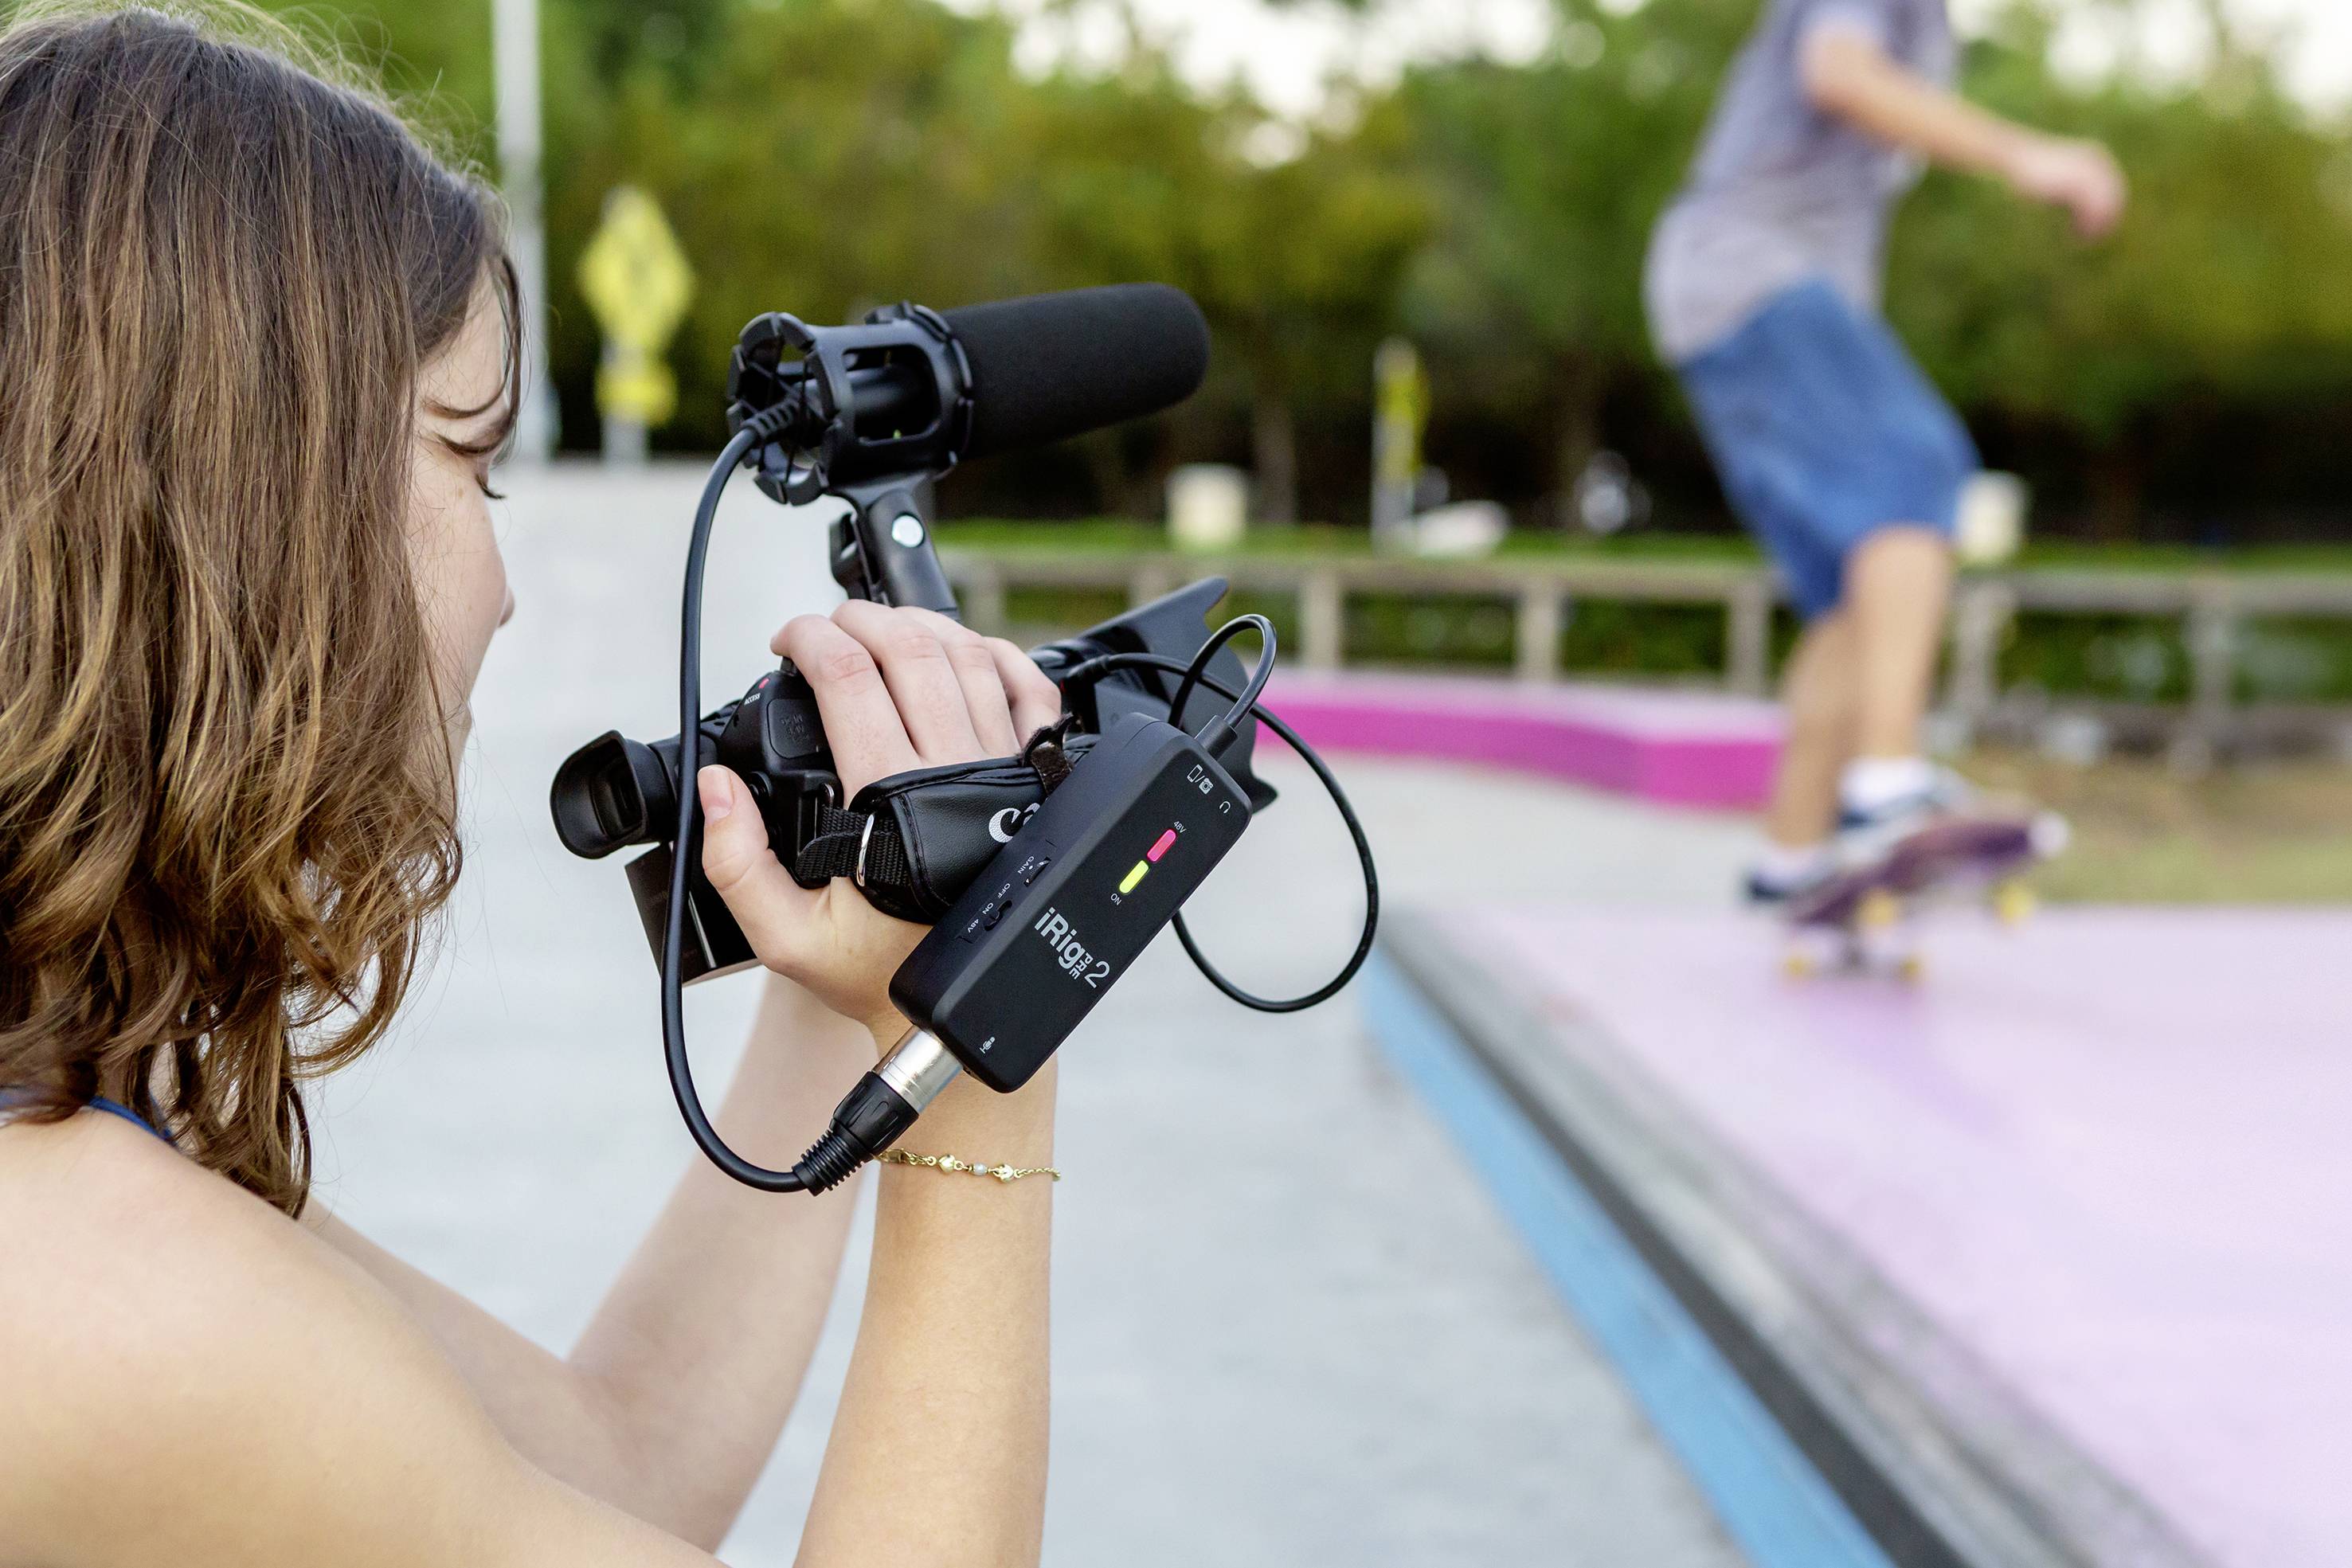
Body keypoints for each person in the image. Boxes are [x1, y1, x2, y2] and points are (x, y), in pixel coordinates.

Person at [0, 6, 1062, 1564]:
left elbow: (623, 1463)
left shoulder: (76, 1125)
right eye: (464, 460)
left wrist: (863, 952)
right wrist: (988, 1052)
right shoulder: (104, 1293)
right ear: (248, 507)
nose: (503, 586)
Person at [1646, 0, 2126, 902]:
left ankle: (1790, 855)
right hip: (1754, 272)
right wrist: (2029, 154)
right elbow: (1839, 72)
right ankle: (1886, 787)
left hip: (1720, 291)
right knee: (1913, 470)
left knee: (1852, 593)